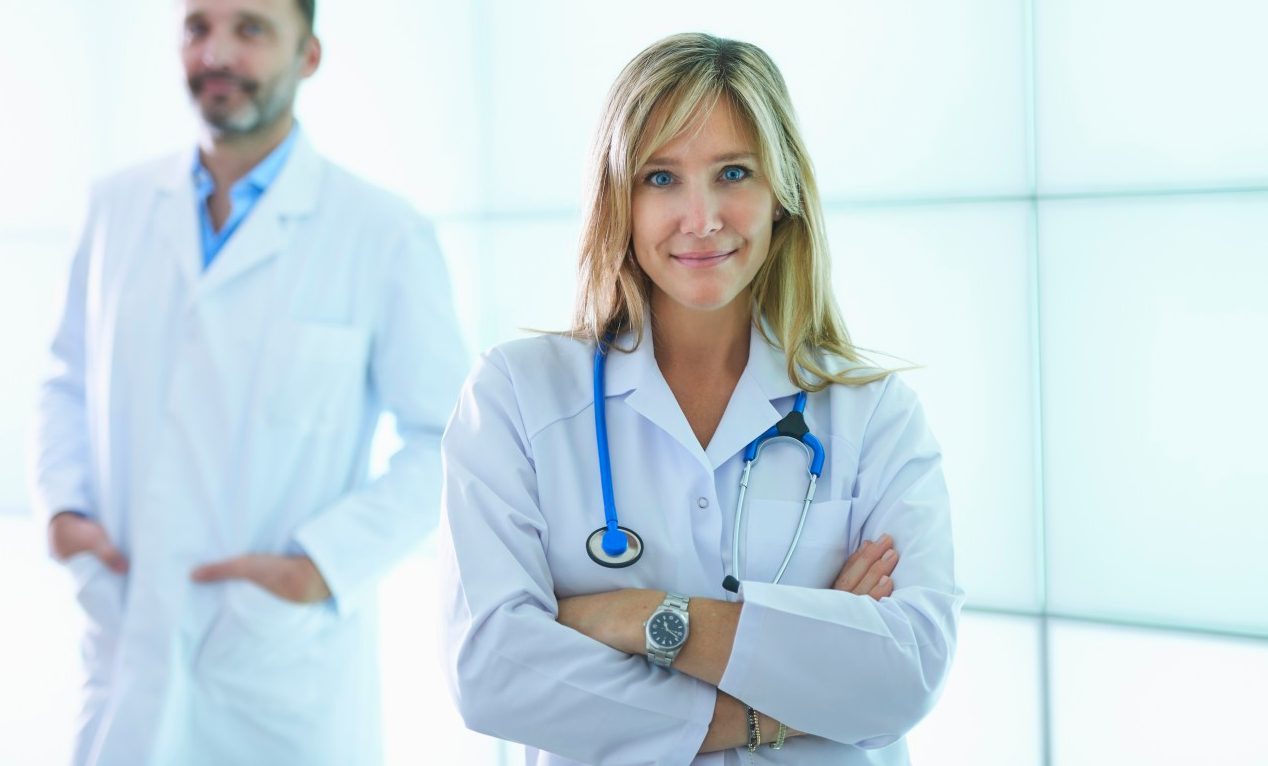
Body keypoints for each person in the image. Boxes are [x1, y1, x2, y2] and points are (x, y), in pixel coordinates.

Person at [437, 32, 963, 765]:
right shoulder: (518, 396)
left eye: (733, 173)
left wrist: (643, 617)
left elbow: (908, 672)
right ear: (616, 198)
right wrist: (791, 691)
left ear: (781, 194)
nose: (701, 216)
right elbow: (493, 672)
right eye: (660, 178)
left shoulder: (874, 413)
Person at [29, 0, 467, 763]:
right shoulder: (116, 208)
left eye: (251, 29)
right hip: (126, 635)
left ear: (309, 56)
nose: (216, 53)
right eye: (197, 28)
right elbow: (64, 381)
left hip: (278, 668)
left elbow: (447, 442)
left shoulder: (381, 232)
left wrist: (318, 567)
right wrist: (63, 511)